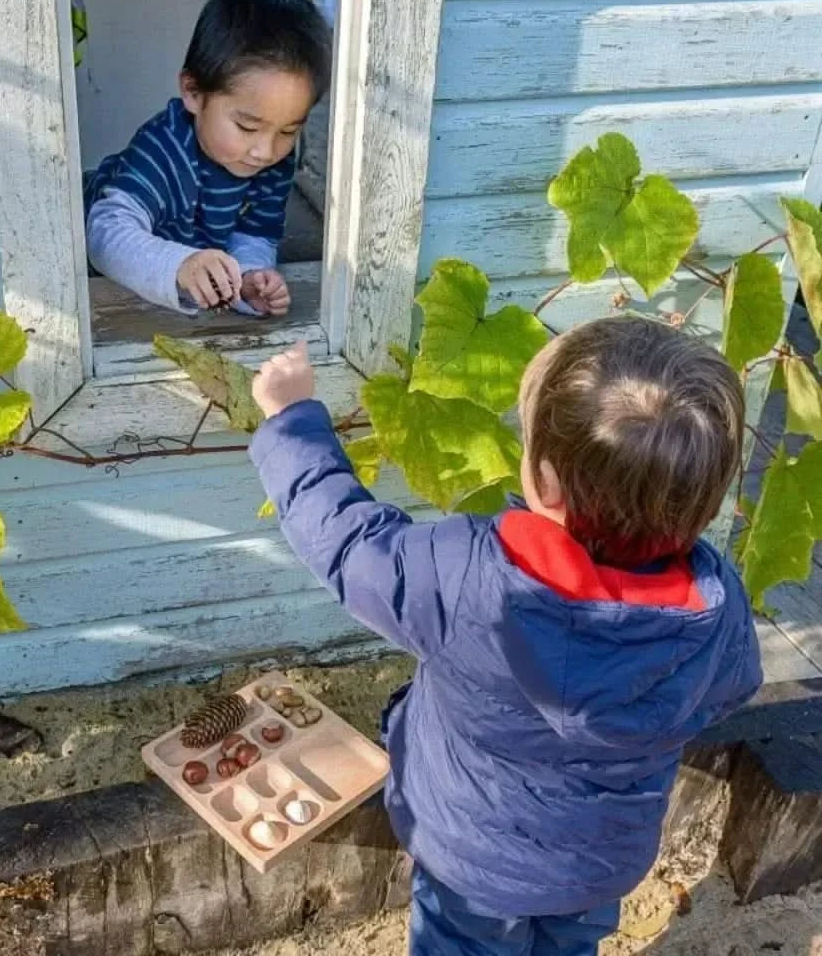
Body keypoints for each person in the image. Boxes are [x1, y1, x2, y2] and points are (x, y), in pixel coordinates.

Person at [248, 318, 762, 955]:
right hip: (600, 862)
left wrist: (292, 419)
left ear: (543, 479)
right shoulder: (717, 607)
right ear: (704, 506)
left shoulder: (466, 576)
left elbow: (352, 546)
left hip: (473, 860)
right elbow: (732, 689)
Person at [83, 0, 331, 317]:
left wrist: (248, 278)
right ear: (194, 92)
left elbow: (254, 235)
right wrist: (180, 265)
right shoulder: (164, 148)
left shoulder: (275, 158)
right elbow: (105, 234)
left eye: (289, 130)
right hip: (89, 254)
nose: (265, 150)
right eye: (247, 126)